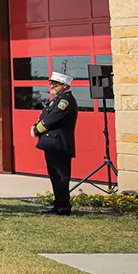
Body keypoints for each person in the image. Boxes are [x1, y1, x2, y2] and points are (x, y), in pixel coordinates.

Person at [33, 70, 79, 215]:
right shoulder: (57, 99)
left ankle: (63, 207)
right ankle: (58, 205)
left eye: (56, 84)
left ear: (65, 86)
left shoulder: (65, 101)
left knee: (60, 176)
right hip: (53, 143)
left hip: (59, 143)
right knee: (55, 176)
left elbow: (53, 118)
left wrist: (36, 130)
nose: (52, 86)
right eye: (51, 83)